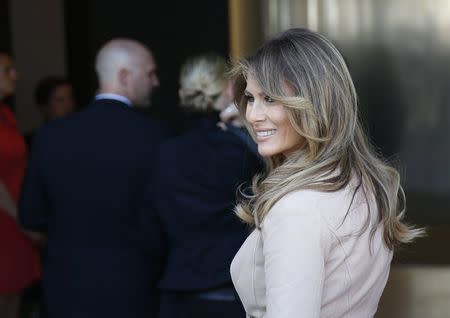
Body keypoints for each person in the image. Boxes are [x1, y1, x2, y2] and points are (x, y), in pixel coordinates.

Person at [229, 28, 424, 318]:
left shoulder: (297, 208)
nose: (253, 115)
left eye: (270, 98)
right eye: (250, 98)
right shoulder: (363, 185)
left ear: (316, 102)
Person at [19, 38, 172, 318]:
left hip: (66, 289)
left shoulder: (50, 137)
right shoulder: (157, 137)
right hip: (136, 288)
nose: (156, 82)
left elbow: (31, 218)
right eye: (150, 73)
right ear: (124, 76)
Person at [143, 53, 262, 318]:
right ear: (230, 89)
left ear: (182, 93)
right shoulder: (243, 151)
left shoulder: (165, 153)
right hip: (234, 294)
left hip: (179, 294)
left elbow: (151, 227)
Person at [0, 50, 41, 318]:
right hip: (6, 218)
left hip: (14, 216)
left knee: (13, 296)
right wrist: (22, 220)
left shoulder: (6, 115)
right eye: (7, 70)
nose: (16, 76)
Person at [24, 76, 76, 148]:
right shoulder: (35, 142)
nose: (69, 105)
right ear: (44, 106)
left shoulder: (81, 135)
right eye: (60, 100)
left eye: (71, 98)